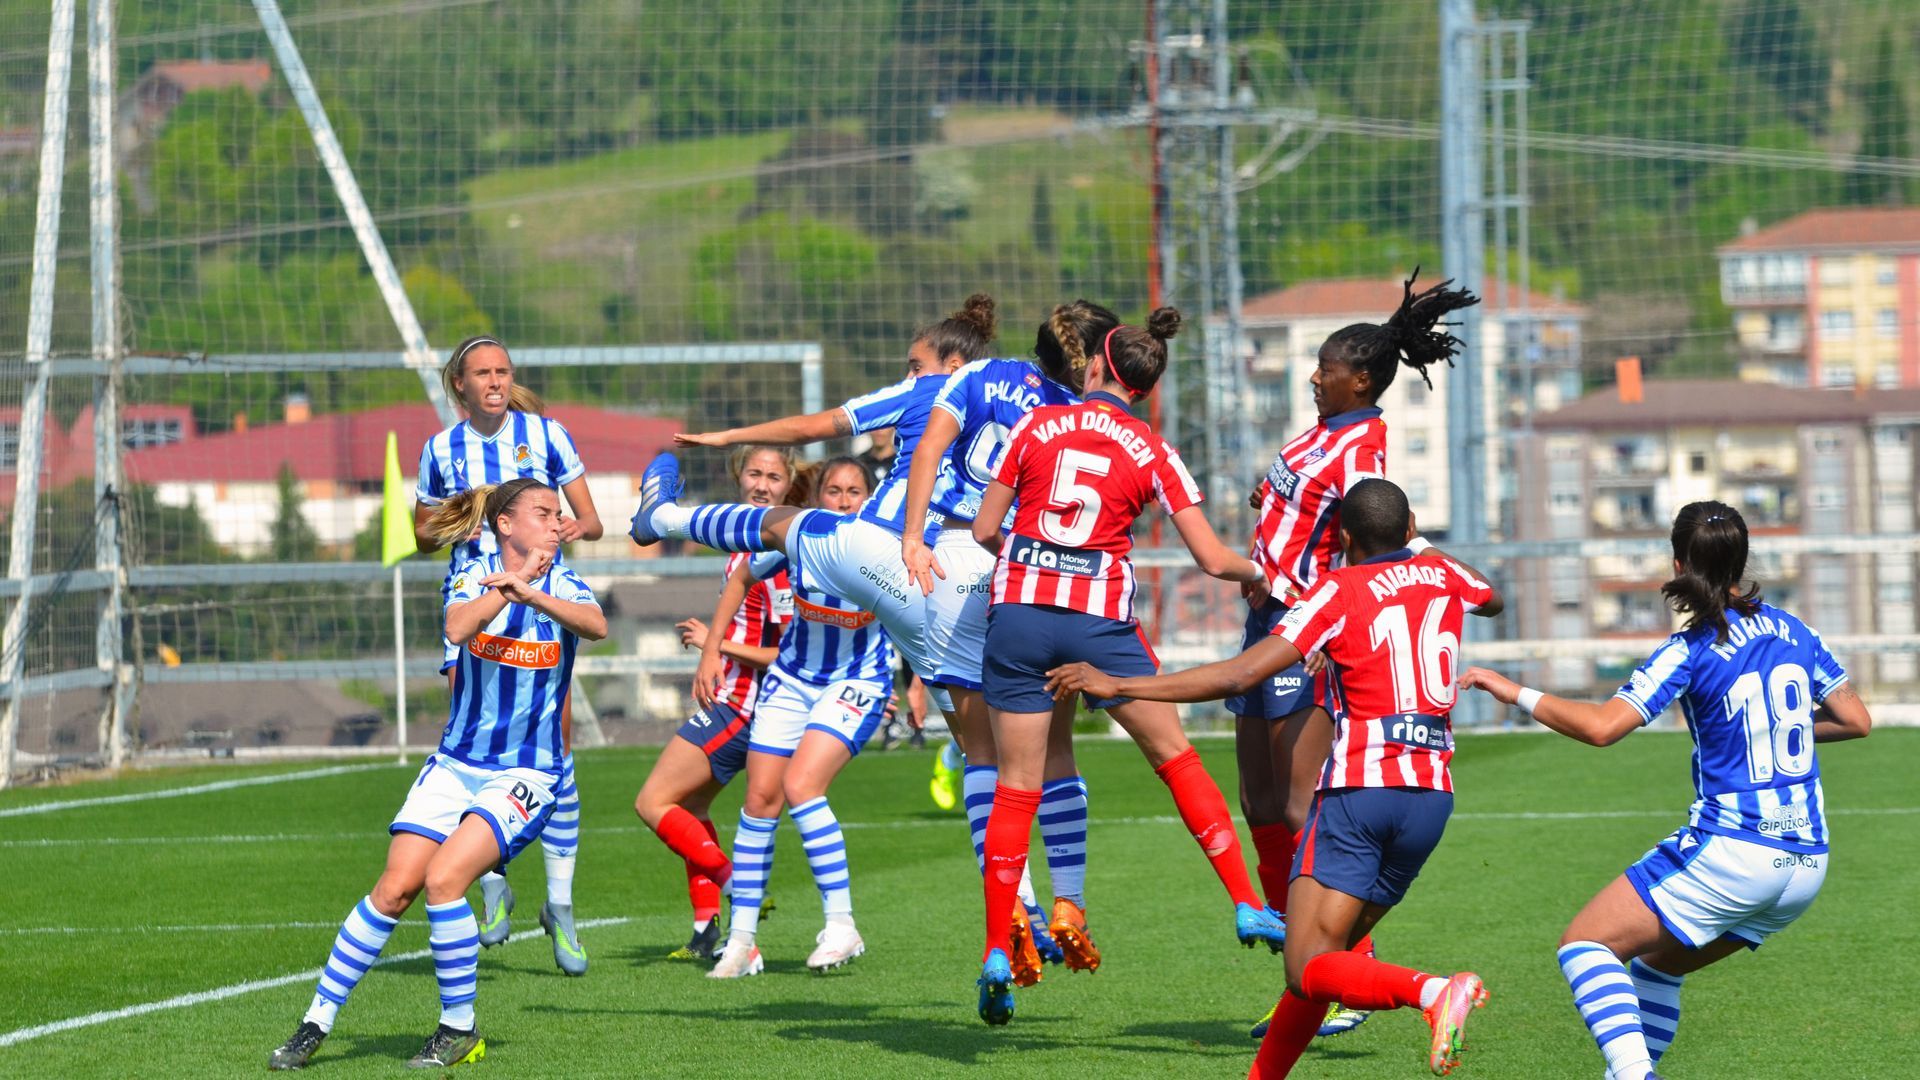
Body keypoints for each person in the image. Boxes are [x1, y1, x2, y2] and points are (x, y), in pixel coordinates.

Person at [627, 294, 1062, 965]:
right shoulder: (1039, 412)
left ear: (947, 362)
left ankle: (665, 519)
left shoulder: (934, 391)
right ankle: (1025, 907)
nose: (908, 372)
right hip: (962, 586)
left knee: (782, 524)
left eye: (914, 362)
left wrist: (728, 437)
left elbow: (819, 425)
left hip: (886, 558)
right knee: (983, 757)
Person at [1050, 478, 1501, 1076]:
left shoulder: (1338, 587)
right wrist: (1420, 550)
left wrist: (1119, 684)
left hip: (1361, 796)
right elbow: (1492, 598)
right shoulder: (1444, 575)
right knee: (1328, 959)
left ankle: (1433, 991)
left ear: (1342, 538)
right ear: (1411, 528)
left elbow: (1240, 676)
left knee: (1305, 966)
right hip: (1430, 800)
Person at [1458, 501, 1871, 1080]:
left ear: (1678, 563)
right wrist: (1766, 740)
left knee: (1585, 946)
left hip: (1737, 850)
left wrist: (1514, 692)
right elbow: (1857, 720)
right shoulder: (1795, 630)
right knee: (1655, 970)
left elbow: (1604, 728)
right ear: (1742, 561)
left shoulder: (1690, 649)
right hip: (1806, 865)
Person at [967, 306, 1287, 1027]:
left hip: (1019, 617)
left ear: (1092, 368)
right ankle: (1245, 901)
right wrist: (1262, 575)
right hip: (1100, 625)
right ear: (1143, 388)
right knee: (1175, 757)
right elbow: (1211, 559)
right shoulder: (1153, 450)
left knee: (1017, 786)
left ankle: (995, 948)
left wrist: (1028, 571)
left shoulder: (1034, 428)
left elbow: (987, 529)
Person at [268, 479, 606, 1071]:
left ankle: (458, 1029)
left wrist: (534, 593)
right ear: (505, 524)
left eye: (560, 514)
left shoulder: (566, 582)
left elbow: (596, 625)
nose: (559, 522)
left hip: (527, 773)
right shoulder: (472, 574)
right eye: (545, 513)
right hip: (456, 764)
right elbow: (456, 628)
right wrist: (507, 591)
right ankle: (315, 1022)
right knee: (394, 889)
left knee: (446, 880)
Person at [1232, 273, 1478, 1040]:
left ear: (1362, 379)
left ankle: (1336, 971)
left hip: (1302, 631)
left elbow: (1378, 533)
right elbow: (1297, 501)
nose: (1314, 375)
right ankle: (1303, 960)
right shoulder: (1323, 430)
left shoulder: (1362, 446)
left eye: (1326, 366)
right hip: (1266, 615)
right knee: (1262, 805)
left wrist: (1336, 623)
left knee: (1304, 806)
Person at [902, 300, 1101, 977]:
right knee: (1056, 748)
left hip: (958, 552)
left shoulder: (981, 375)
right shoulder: (1077, 408)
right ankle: (1068, 901)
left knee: (980, 750)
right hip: (1037, 569)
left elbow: (928, 448)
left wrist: (911, 538)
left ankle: (1012, 904)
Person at [413, 335, 603, 975]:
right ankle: (492, 885)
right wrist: (465, 521)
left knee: (556, 741)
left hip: (540, 598)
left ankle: (560, 904)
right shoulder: (441, 449)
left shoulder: (547, 436)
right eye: (482, 373)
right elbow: (420, 533)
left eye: (503, 371)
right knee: (472, 736)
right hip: (473, 601)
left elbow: (592, 521)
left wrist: (563, 528)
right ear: (459, 385)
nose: (495, 380)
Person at [694, 457, 897, 977]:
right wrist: (711, 650)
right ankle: (742, 943)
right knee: (759, 800)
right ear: (819, 496)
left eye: (855, 490)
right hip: (792, 678)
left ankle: (841, 925)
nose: (845, 499)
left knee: (802, 786)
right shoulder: (802, 538)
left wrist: (919, 687)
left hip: (855, 682)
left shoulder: (886, 548)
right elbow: (741, 576)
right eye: (834, 490)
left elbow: (920, 618)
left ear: (868, 499)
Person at [633, 446, 799, 962]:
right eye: (754, 472)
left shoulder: (776, 561)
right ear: (738, 476)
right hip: (734, 701)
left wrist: (716, 646)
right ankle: (707, 927)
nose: (762, 484)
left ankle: (733, 887)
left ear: (788, 485)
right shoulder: (742, 540)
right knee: (693, 806)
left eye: (774, 476)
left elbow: (789, 657)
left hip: (746, 708)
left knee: (653, 802)